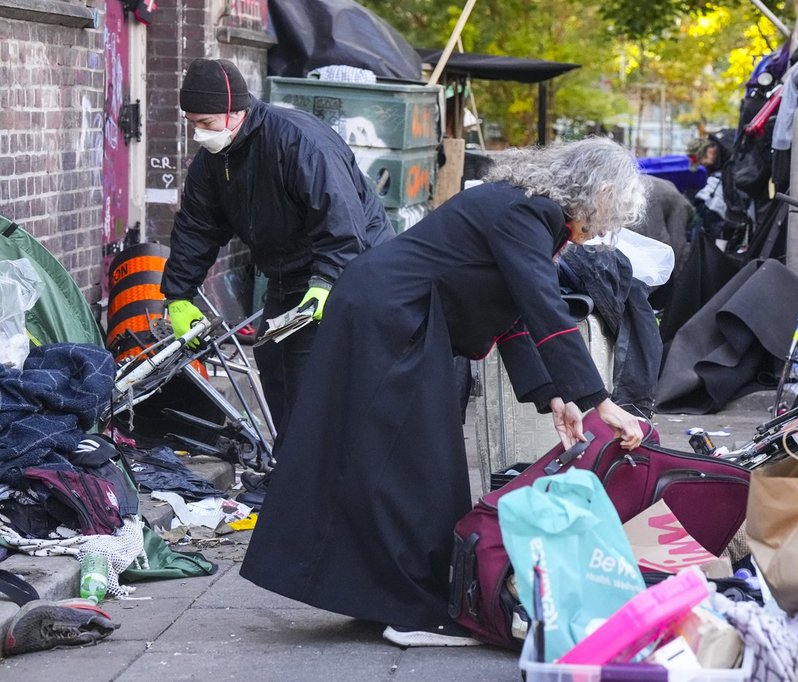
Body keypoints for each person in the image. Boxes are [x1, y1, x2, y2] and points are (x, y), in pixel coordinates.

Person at [240, 137, 648, 647]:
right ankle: (418, 612)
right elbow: (545, 305)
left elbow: (515, 311)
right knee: (421, 467)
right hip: (393, 321)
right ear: (596, 193)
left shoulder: (519, 205)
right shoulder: (528, 215)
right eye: (608, 217)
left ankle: (374, 597)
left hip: (388, 314)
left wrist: (552, 396)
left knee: (377, 460)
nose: (603, 231)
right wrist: (599, 402)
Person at [159, 57, 395, 448]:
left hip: (350, 265)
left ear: (237, 112)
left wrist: (326, 283)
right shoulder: (215, 160)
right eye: (192, 124)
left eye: (206, 123)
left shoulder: (300, 143)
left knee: (309, 379)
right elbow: (197, 226)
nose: (199, 134)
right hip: (287, 273)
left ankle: (308, 479)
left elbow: (341, 219)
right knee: (273, 363)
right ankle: (291, 473)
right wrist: (179, 296)